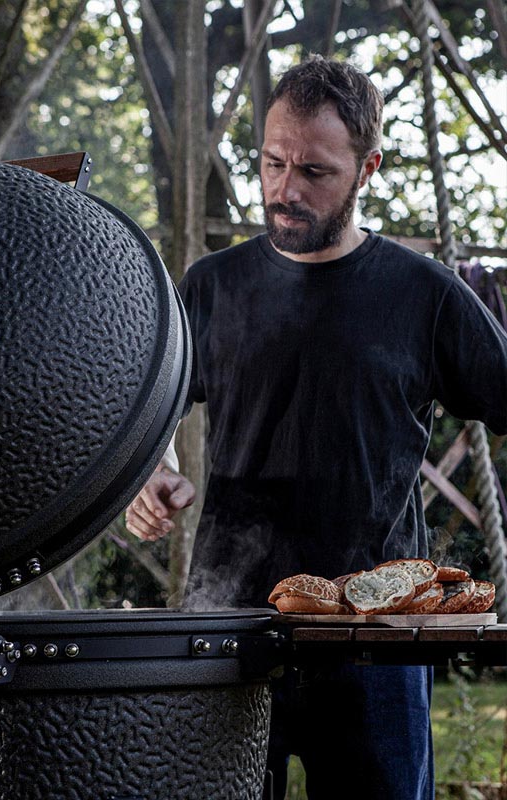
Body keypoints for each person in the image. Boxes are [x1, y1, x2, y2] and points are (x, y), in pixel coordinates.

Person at [126, 54, 507, 800]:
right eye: (272, 162)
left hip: (380, 639)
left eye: (314, 173)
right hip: (231, 627)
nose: (284, 190)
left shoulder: (423, 296)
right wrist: (155, 469)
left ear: (368, 168)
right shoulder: (212, 286)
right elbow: (151, 407)